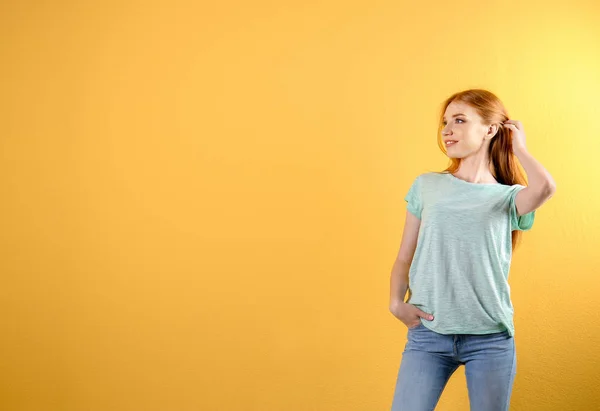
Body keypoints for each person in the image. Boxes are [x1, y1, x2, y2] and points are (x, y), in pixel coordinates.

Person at [388, 89, 556, 411]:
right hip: (429, 335)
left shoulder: (509, 197)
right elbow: (404, 256)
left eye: (460, 120)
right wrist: (397, 304)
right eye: (445, 122)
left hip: (490, 339)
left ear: (490, 130)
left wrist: (519, 147)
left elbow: (546, 187)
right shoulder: (427, 186)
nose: (447, 130)